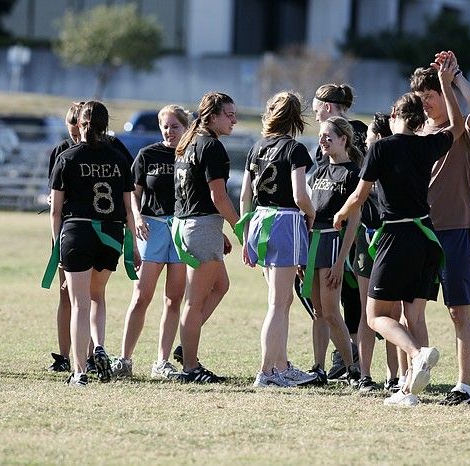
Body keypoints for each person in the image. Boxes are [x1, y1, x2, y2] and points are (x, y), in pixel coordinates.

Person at [333, 52, 464, 406]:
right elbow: (457, 127)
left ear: (394, 117)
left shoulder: (380, 148)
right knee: (414, 314)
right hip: (426, 236)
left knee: (375, 316)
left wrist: (341, 214)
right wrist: (448, 89)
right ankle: (408, 390)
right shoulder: (426, 145)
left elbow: (360, 195)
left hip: (395, 236)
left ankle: (417, 354)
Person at [410, 51, 470, 405]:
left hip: (453, 229)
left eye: (430, 97)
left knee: (458, 311)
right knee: (410, 309)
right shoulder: (416, 132)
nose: (426, 104)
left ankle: (463, 386)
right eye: (422, 98)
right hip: (416, 231)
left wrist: (455, 78)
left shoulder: (463, 132)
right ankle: (413, 376)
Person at [48, 100, 139, 387]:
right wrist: (134, 244)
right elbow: (128, 208)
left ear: (80, 123)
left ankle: (80, 371)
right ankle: (98, 346)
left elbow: (55, 210)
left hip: (78, 230)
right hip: (110, 232)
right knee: (97, 295)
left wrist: (57, 246)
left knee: (79, 304)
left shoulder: (68, 156)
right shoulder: (119, 158)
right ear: (106, 124)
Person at [238, 91, 317, 388]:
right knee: (278, 303)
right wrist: (311, 214)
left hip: (259, 220)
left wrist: (246, 236)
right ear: (296, 117)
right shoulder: (294, 149)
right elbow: (299, 195)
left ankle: (281, 365)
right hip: (286, 221)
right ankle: (267, 372)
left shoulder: (256, 147)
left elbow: (245, 196)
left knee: (281, 300)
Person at [112, 105, 190, 379]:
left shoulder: (191, 156)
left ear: (186, 127)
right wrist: (137, 219)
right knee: (141, 296)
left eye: (175, 126)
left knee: (173, 300)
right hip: (152, 229)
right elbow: (132, 192)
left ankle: (162, 362)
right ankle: (124, 359)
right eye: (165, 126)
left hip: (181, 230)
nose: (169, 132)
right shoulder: (148, 155)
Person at [167, 92, 240, 383]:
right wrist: (239, 227)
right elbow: (218, 196)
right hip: (199, 227)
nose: (234, 119)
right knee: (193, 303)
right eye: (229, 114)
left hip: (189, 225)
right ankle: (190, 368)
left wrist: (216, 228)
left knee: (221, 285)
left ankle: (188, 344)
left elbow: (195, 195)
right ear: (211, 116)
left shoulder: (189, 142)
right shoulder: (211, 146)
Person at [303, 83, 368, 380]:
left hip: (333, 243)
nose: (323, 141)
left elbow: (353, 220)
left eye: (328, 137)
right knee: (317, 311)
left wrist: (342, 260)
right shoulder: (318, 170)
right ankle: (318, 369)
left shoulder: (353, 173)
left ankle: (353, 367)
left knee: (331, 311)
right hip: (313, 242)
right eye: (321, 137)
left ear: (344, 139)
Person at [354, 112, 404, 393]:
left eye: (371, 136)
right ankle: (364, 375)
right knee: (366, 312)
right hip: (367, 238)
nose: (366, 141)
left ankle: (393, 376)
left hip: (390, 239)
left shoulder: (396, 163)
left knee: (392, 312)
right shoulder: (367, 163)